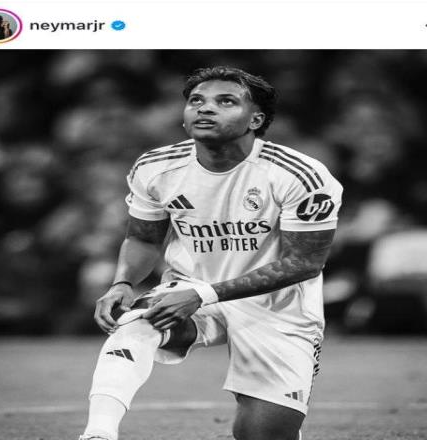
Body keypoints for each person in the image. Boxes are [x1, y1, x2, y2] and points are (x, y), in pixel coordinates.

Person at [79, 66, 343, 440]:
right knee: (136, 322)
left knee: (262, 434)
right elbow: (143, 239)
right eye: (196, 101)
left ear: (256, 119)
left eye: (225, 101)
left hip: (277, 307)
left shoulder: (299, 174)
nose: (204, 108)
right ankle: (98, 433)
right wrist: (123, 282)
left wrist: (203, 294)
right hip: (190, 288)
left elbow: (305, 263)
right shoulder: (156, 167)